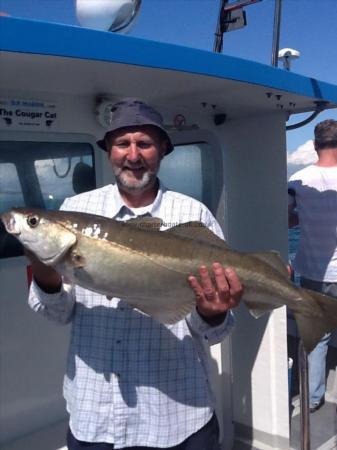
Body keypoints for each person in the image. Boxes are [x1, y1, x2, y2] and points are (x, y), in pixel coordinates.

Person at [27, 98, 243, 449]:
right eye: (122, 144)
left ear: (162, 150)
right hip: (95, 413)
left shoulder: (194, 215)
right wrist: (46, 277)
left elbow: (213, 331)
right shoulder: (74, 210)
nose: (133, 155)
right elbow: (59, 313)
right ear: (109, 151)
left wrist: (213, 312)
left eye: (144, 144)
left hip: (177, 413)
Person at [288, 119, 337, 413]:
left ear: (316, 145)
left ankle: (311, 399)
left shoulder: (298, 180)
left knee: (317, 337)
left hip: (312, 272)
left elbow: (286, 218)